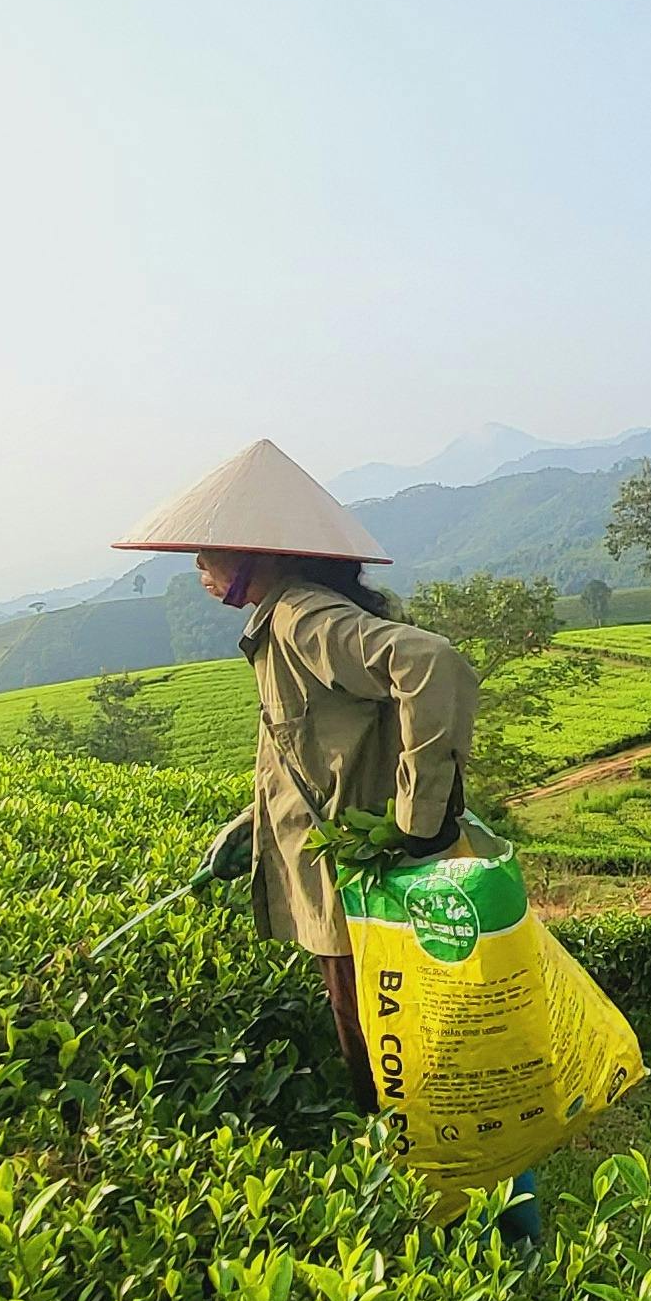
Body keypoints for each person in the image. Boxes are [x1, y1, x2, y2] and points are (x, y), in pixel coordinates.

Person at [112, 437, 476, 1122]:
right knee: (387, 1044)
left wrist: (417, 818)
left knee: (385, 1055)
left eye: (210, 549)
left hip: (363, 889)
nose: (197, 565)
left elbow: (431, 662)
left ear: (261, 554)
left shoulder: (302, 616)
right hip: (343, 883)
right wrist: (251, 826)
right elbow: (306, 750)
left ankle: (440, 1191)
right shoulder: (280, 624)